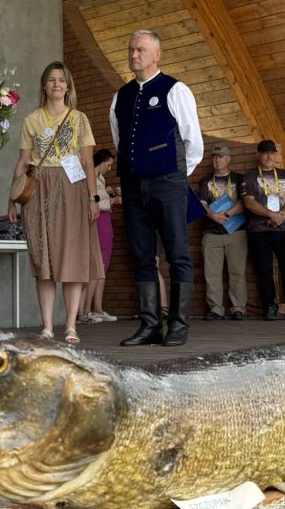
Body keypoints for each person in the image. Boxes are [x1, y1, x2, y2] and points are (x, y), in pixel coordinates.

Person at [110, 29, 203, 346]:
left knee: (177, 253)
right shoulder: (120, 96)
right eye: (131, 49)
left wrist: (178, 177)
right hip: (133, 185)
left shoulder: (175, 90)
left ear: (157, 55)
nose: (134, 55)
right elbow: (120, 141)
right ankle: (150, 326)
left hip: (169, 182)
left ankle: (178, 325)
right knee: (142, 255)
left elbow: (193, 142)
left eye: (140, 50)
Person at [8, 61, 103, 344]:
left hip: (73, 189)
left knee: (73, 259)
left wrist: (93, 198)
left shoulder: (80, 119)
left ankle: (71, 326)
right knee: (44, 261)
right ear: (44, 85)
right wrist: (11, 200)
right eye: (51, 80)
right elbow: (23, 162)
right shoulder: (32, 120)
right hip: (39, 189)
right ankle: (48, 326)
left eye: (62, 80)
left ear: (68, 86)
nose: (57, 84)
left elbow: (87, 162)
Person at [241, 140, 285, 321]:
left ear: (276, 154)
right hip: (258, 231)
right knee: (264, 269)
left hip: (282, 230)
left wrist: (281, 216)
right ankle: (269, 306)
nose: (269, 156)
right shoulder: (250, 176)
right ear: (258, 155)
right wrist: (271, 214)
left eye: (272, 152)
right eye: (265, 152)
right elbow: (249, 202)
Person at [197, 145, 248, 321]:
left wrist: (227, 214)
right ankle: (216, 309)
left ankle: (238, 308)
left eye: (221, 156)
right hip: (212, 233)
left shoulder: (239, 178)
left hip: (236, 231)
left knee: (237, 272)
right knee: (212, 274)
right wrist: (213, 216)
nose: (217, 160)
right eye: (214, 157)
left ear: (228, 159)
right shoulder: (205, 181)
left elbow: (245, 201)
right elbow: (202, 204)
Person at [78, 149, 118, 323]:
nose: (110, 169)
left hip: (105, 220)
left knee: (102, 266)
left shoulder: (100, 179)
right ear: (100, 162)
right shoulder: (90, 177)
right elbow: (92, 202)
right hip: (98, 220)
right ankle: (86, 309)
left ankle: (97, 308)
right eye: (108, 165)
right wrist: (112, 201)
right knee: (97, 264)